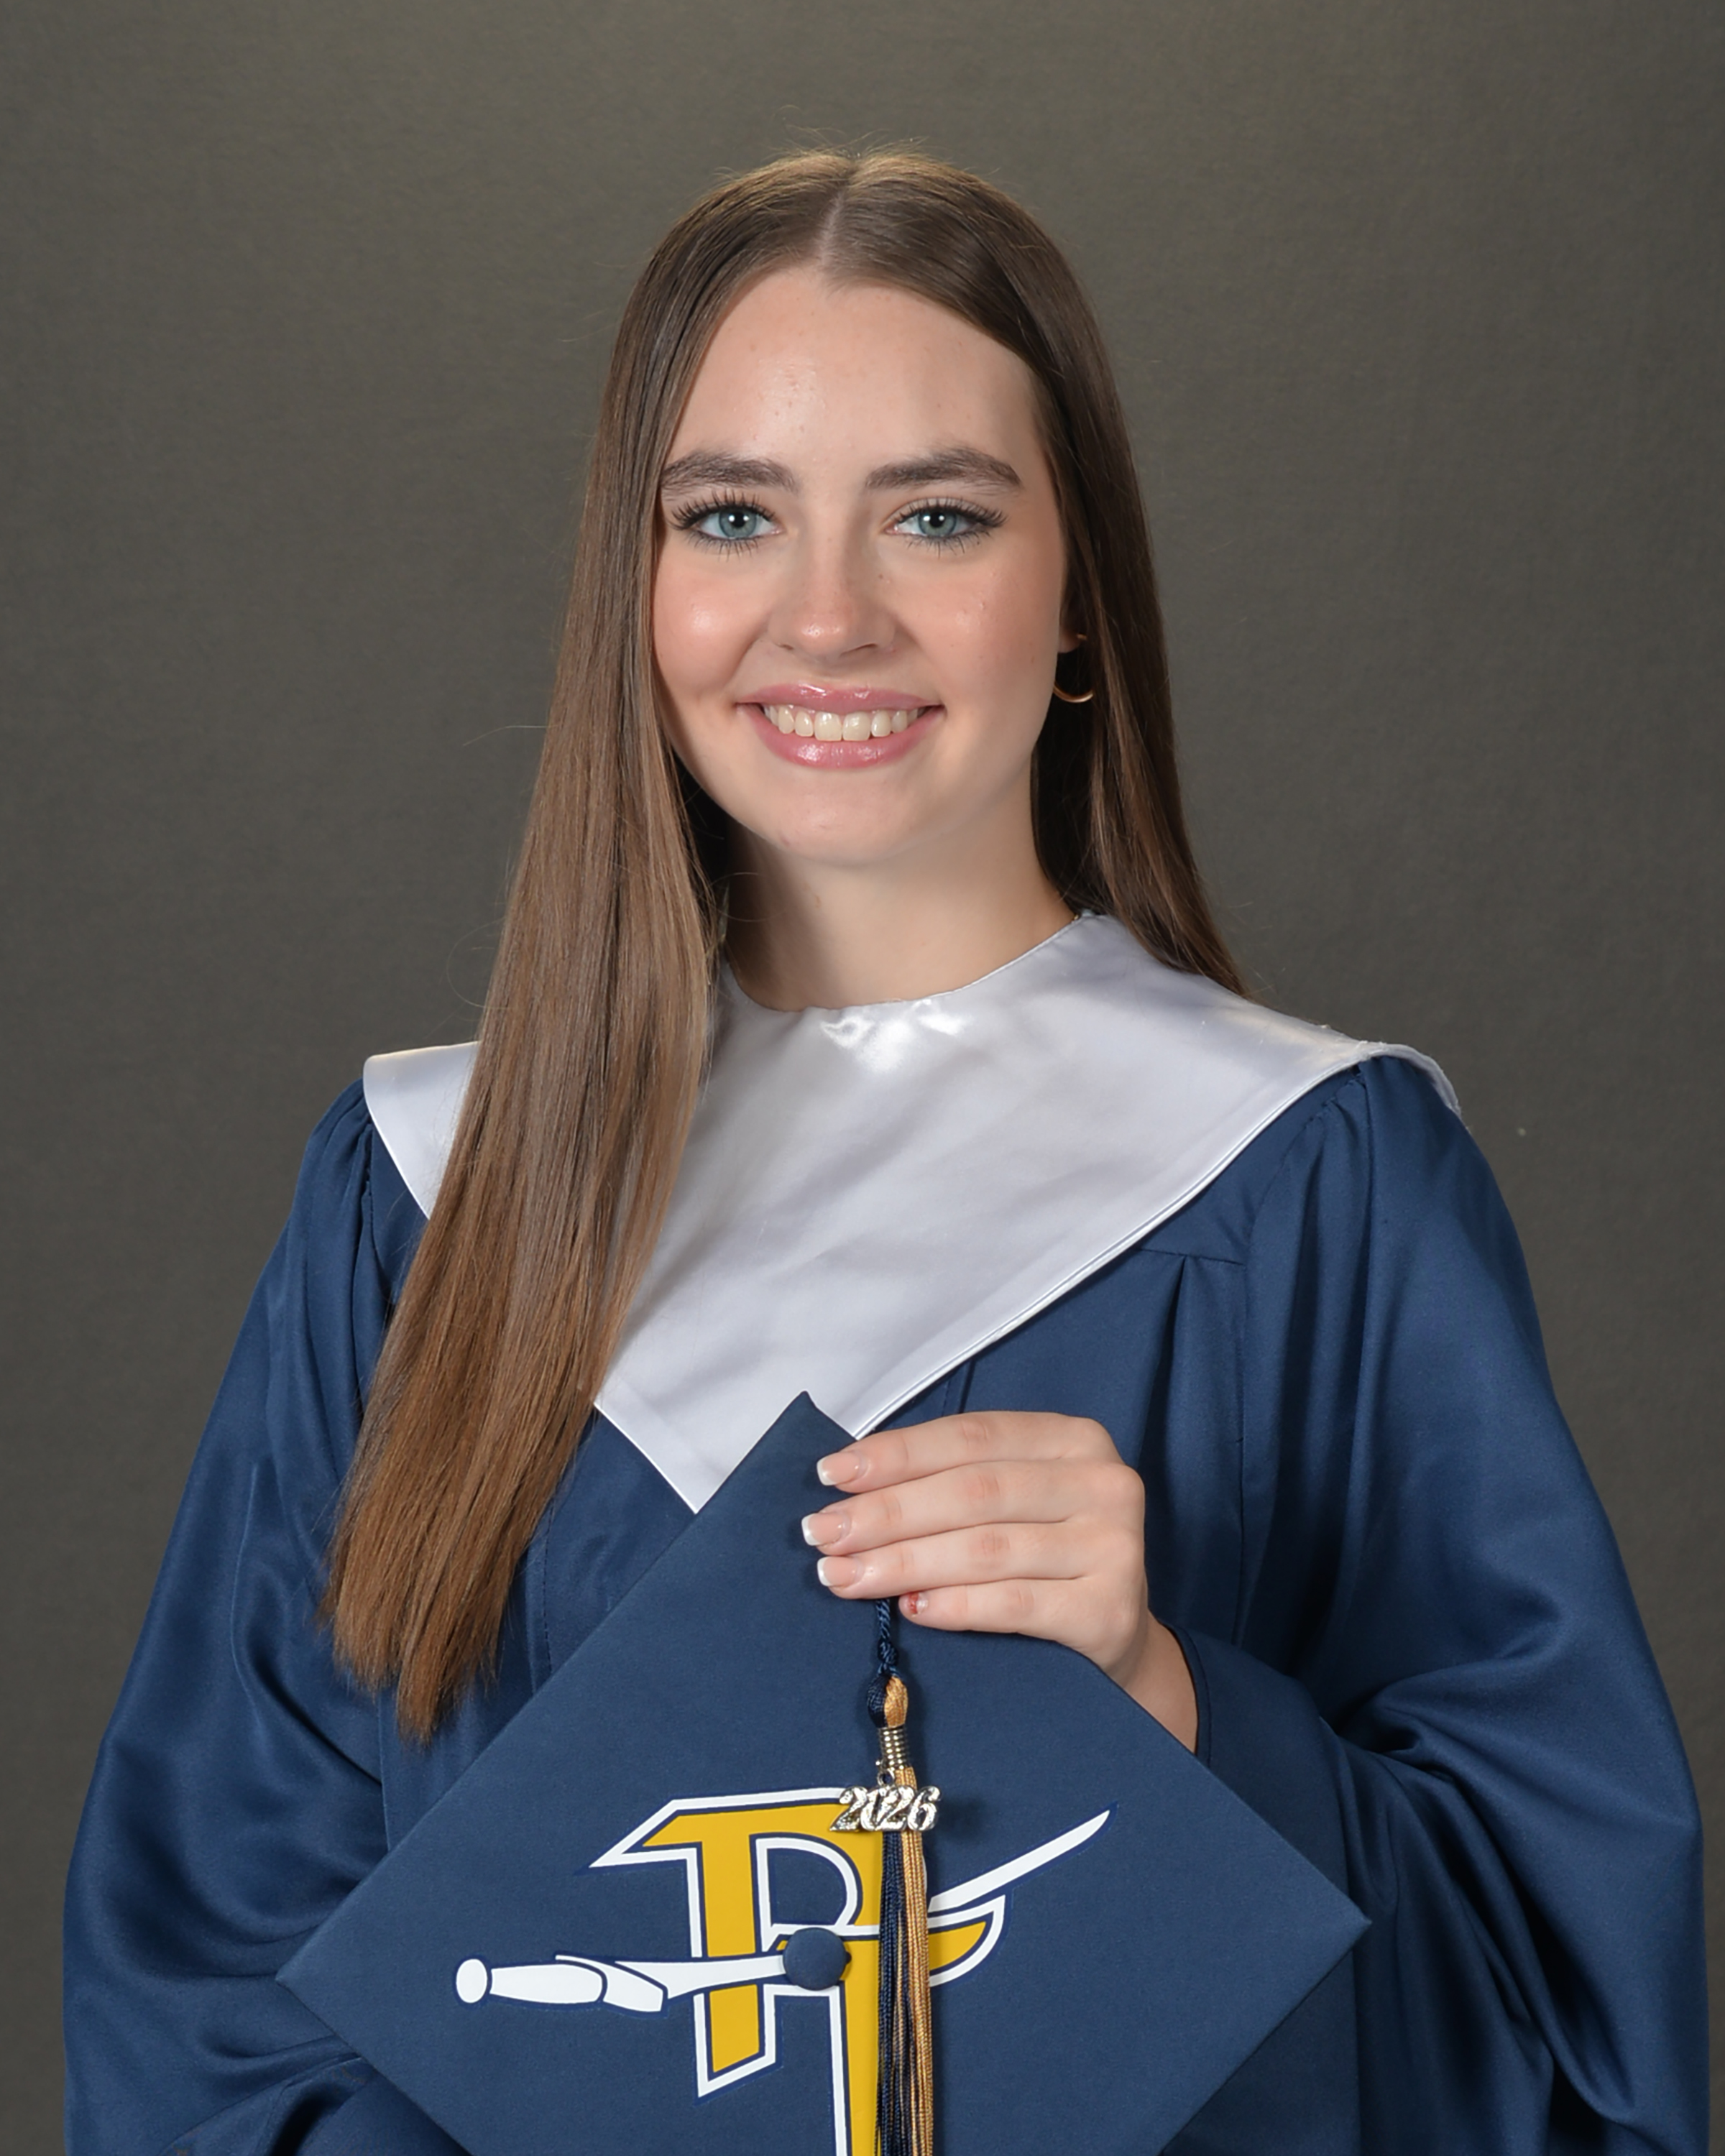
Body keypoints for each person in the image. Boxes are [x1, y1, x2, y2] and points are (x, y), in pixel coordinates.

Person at [63, 151, 1705, 2156]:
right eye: (731, 517)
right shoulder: (422, 1199)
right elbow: (210, 1994)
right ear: (636, 589)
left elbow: (1569, 2018)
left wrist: (1180, 1711)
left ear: (1078, 588)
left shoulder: (1312, 1186)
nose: (827, 619)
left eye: (937, 516)